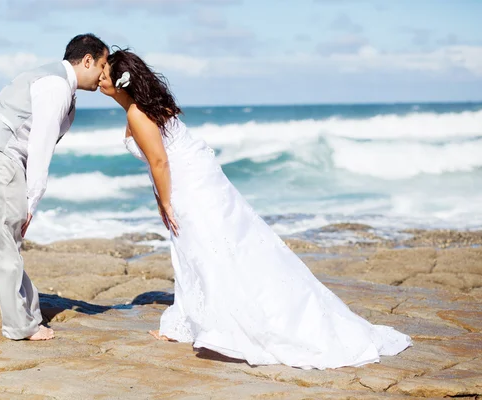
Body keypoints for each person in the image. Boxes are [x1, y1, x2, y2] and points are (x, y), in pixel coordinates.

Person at [98, 49, 412, 368]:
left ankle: (228, 325)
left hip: (189, 184)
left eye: (104, 75)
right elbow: (162, 159)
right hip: (198, 176)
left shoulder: (138, 113)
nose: (99, 78)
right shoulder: (149, 105)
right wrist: (162, 198)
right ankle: (195, 319)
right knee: (214, 246)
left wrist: (165, 201)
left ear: (121, 83)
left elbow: (160, 162)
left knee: (206, 249)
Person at [0, 34, 108, 341]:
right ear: (87, 60)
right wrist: (31, 200)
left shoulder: (46, 77)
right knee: (6, 247)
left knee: (4, 245)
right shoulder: (55, 87)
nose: (104, 74)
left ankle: (28, 312)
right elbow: (40, 146)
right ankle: (19, 326)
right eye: (103, 65)